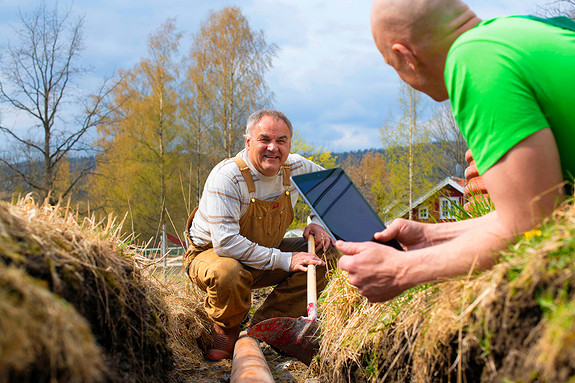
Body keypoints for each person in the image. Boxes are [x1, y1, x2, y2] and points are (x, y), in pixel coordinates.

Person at [338, 0, 575, 302]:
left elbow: (531, 225)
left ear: (405, 56)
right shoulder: (526, 31)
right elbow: (538, 204)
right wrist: (432, 236)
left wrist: (400, 269)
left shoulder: (475, 61)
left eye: (391, 65)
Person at [184, 109, 337, 361]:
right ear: (248, 142)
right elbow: (227, 244)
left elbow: (331, 191)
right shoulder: (228, 177)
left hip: (266, 250)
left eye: (281, 141)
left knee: (325, 253)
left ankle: (267, 326)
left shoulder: (296, 167)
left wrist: (317, 221)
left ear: (289, 143)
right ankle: (227, 327)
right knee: (229, 273)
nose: (273, 148)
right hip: (213, 256)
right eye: (264, 139)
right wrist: (286, 260)